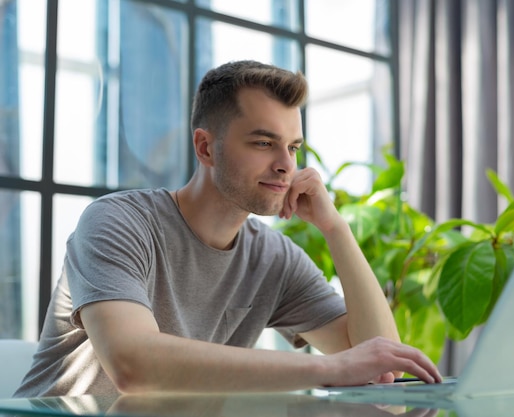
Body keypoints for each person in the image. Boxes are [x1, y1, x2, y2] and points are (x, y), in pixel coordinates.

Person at [14, 60, 441, 397]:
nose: (286, 164)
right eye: (263, 143)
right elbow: (133, 365)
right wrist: (328, 369)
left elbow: (378, 366)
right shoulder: (118, 222)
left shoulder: (275, 258)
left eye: (293, 147)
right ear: (205, 147)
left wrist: (336, 229)